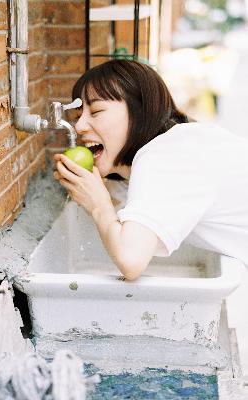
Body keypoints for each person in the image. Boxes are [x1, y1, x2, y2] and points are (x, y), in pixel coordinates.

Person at [54, 59, 248, 280]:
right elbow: (129, 218)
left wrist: (98, 204)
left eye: (96, 111)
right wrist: (88, 191)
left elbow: (131, 259)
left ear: (139, 111)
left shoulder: (165, 154)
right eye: (78, 116)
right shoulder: (174, 147)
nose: (79, 127)